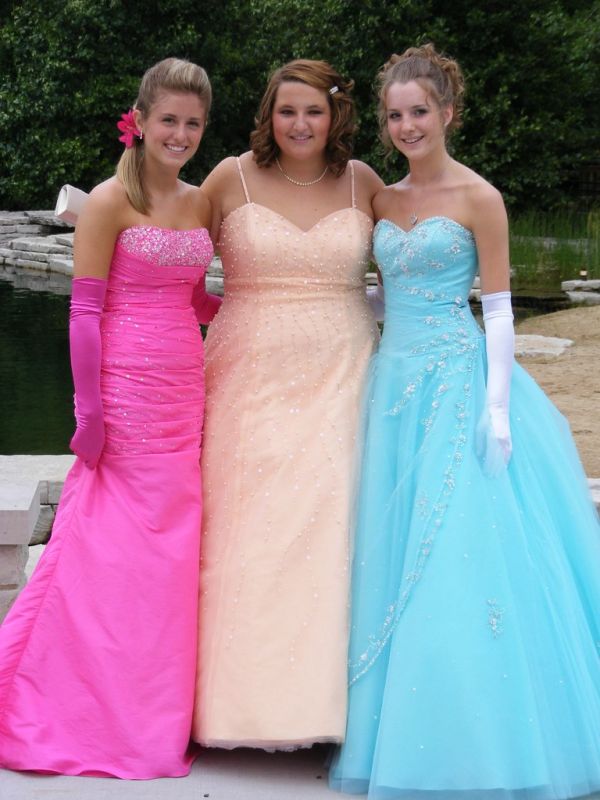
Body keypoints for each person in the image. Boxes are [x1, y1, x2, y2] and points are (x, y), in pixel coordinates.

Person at [329, 44, 600, 799]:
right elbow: (390, 292)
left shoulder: (479, 196)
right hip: (392, 387)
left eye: (420, 111)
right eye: (394, 114)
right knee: (392, 545)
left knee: (455, 550)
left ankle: (475, 741)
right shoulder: (381, 199)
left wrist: (499, 407)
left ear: (448, 112)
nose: (407, 125)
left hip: (457, 381)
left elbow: (501, 309)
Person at [0, 58, 220, 779]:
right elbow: (85, 310)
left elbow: (192, 300)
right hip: (124, 394)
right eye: (169, 120)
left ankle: (153, 705)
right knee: (109, 549)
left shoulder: (198, 203)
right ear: (142, 120)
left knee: (168, 554)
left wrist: (266, 313)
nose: (180, 134)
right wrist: (87, 410)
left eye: (192, 123)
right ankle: (79, 699)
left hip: (184, 389)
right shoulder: (106, 201)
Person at [192, 59, 383, 750]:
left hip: (344, 371)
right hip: (248, 375)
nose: (300, 124)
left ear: (336, 117)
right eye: (287, 110)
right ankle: (234, 707)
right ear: (268, 114)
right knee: (249, 529)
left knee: (331, 530)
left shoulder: (363, 183)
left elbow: (418, 254)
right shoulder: (228, 178)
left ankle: (331, 712)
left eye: (314, 111)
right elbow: (170, 254)